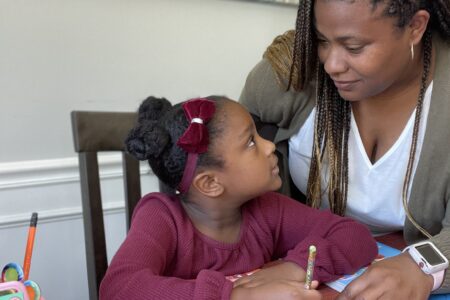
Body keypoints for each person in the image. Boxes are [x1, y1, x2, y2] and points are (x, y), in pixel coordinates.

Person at [239, 0, 450, 299]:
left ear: (416, 27)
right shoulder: (292, 71)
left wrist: (422, 267)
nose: (331, 65)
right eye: (322, 41)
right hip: (294, 271)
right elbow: (218, 155)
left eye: (354, 47)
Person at [99, 96, 377, 300]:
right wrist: (236, 296)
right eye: (251, 142)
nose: (270, 146)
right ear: (210, 183)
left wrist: (295, 267)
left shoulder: (267, 208)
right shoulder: (161, 217)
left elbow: (354, 236)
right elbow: (118, 289)